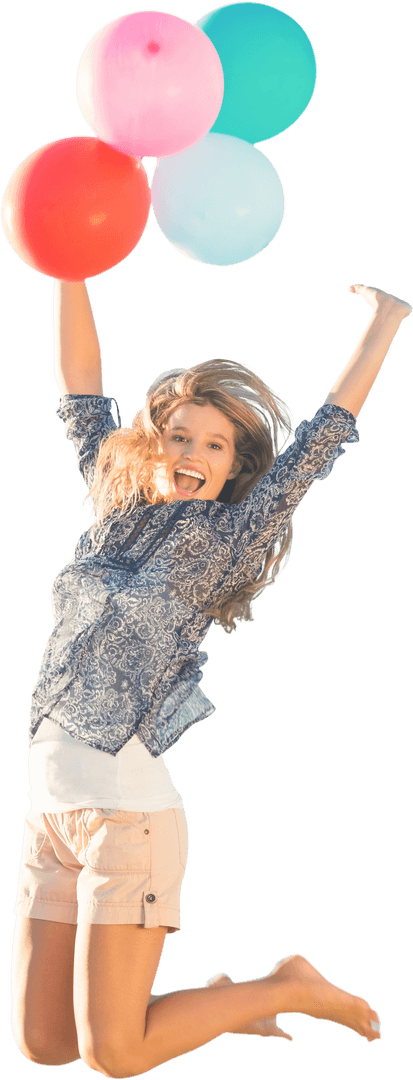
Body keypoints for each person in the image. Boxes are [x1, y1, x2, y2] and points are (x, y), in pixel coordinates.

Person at [10, 279, 411, 1078]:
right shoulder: (111, 504)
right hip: (51, 819)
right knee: (45, 1045)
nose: (191, 453)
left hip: (127, 820)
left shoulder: (231, 534)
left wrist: (387, 320)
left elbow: (324, 435)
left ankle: (283, 987)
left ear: (234, 468)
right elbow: (81, 390)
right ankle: (220, 1005)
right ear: (154, 443)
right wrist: (67, 265)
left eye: (216, 446)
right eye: (179, 436)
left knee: (116, 1056)